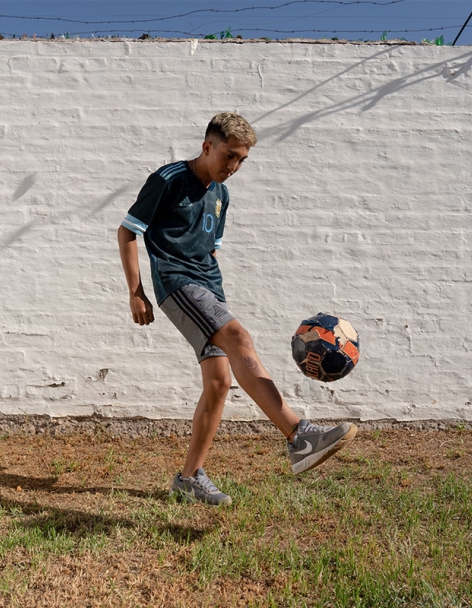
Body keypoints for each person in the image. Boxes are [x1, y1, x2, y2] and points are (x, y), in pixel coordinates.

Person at [117, 112, 357, 506]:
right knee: (240, 337)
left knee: (218, 384)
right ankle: (299, 435)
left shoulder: (221, 196)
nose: (234, 166)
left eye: (242, 160)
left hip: (209, 289)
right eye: (229, 156)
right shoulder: (168, 179)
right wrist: (136, 291)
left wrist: (216, 299)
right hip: (178, 284)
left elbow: (211, 249)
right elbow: (128, 230)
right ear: (207, 146)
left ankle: (189, 478)